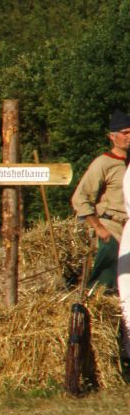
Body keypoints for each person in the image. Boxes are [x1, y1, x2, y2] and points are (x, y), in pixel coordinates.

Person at [75, 110, 130, 291]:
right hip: (111, 229)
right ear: (112, 137)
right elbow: (80, 197)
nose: (129, 137)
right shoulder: (103, 163)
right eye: (125, 133)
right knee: (103, 287)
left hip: (128, 230)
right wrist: (98, 227)